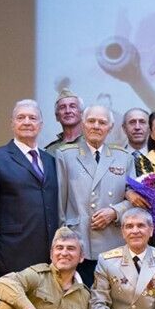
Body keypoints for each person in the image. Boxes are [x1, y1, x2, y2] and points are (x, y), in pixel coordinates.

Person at [55, 104, 134, 287]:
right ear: (83, 124)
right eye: (91, 121)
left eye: (102, 122)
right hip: (79, 239)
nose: (96, 126)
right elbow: (60, 202)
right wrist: (61, 240)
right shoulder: (66, 155)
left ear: (110, 127)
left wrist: (115, 212)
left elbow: (134, 201)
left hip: (112, 241)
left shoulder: (124, 157)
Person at [0, 100, 59, 282]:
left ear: (41, 125)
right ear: (12, 123)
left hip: (48, 255)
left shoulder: (50, 160)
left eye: (32, 118)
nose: (27, 122)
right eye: (21, 117)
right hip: (11, 254)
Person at [45, 88, 84, 154]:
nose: (68, 111)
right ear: (57, 116)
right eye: (62, 107)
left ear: (82, 114)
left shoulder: (93, 142)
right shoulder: (51, 151)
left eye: (72, 106)